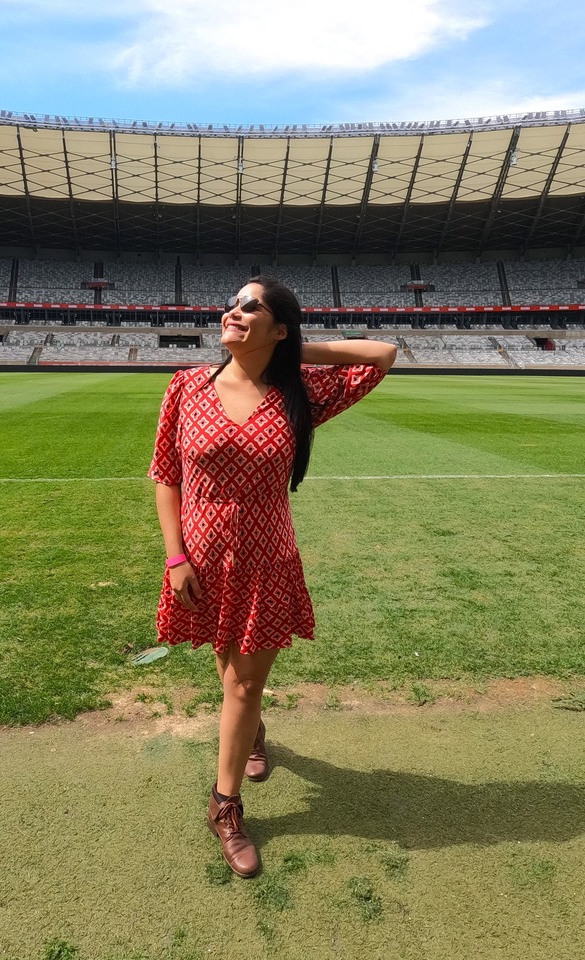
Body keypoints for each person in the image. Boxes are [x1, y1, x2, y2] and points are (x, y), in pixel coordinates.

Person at [148, 276, 396, 878]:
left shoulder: (299, 391)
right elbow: (165, 475)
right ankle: (252, 733)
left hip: (266, 557)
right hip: (202, 555)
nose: (232, 310)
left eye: (250, 306)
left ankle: (224, 804)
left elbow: (381, 355)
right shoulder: (186, 387)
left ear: (279, 327)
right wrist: (175, 557)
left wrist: (288, 350)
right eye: (232, 302)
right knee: (228, 665)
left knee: (240, 682)